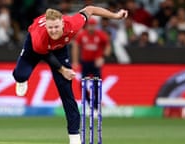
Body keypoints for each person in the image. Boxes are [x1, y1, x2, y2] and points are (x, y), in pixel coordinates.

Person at [12, 5, 128, 144]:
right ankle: (22, 79)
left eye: (56, 27)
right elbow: (47, 57)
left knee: (67, 93)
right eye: (50, 28)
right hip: (36, 47)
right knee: (20, 75)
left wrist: (115, 16)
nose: (53, 31)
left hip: (60, 49)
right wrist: (63, 70)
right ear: (46, 27)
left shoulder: (73, 24)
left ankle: (74, 137)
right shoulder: (39, 37)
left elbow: (90, 9)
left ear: (62, 22)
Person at [71, 18, 111, 114]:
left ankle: (97, 106)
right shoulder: (82, 35)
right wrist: (75, 61)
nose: (91, 27)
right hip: (85, 63)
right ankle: (89, 104)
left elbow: (108, 46)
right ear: (87, 26)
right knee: (83, 84)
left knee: (97, 84)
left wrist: (102, 57)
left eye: (93, 25)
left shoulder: (101, 35)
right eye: (89, 25)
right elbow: (76, 46)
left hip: (95, 63)